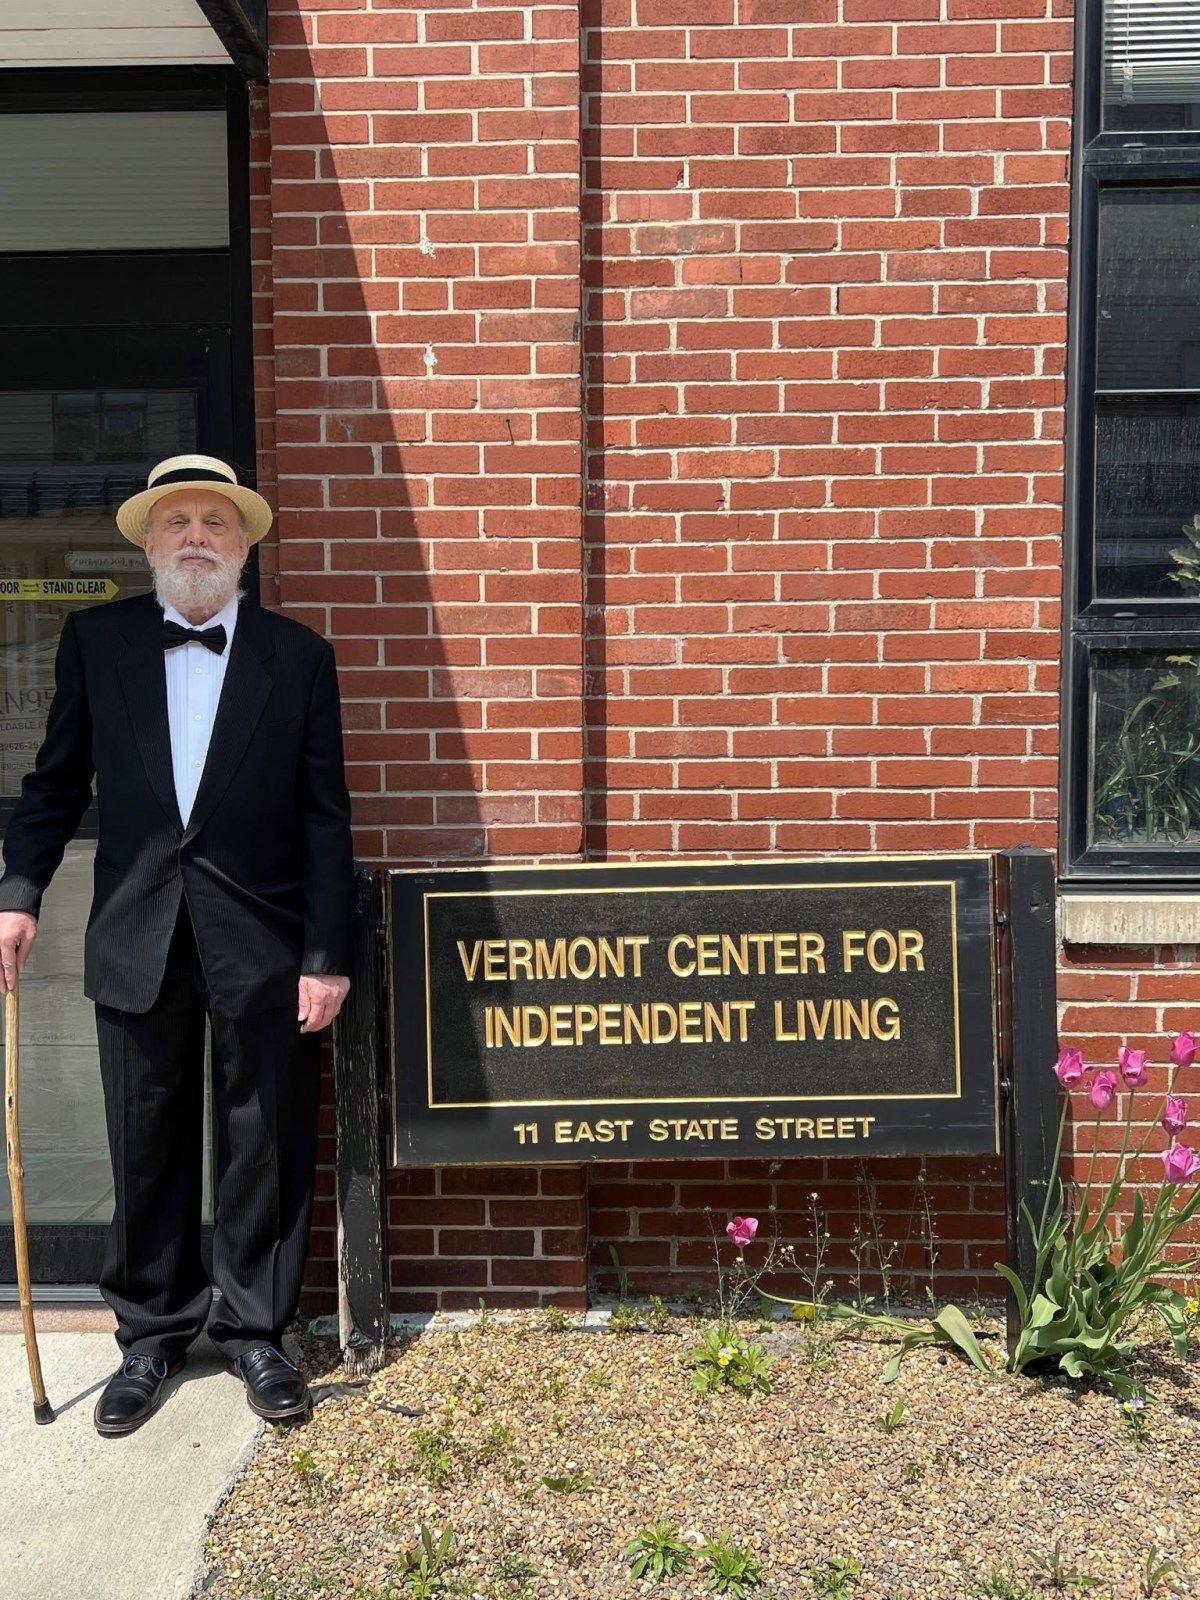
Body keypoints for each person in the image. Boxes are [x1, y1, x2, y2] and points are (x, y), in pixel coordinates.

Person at [0, 454, 355, 1436]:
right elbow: (54, 783)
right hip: (138, 930)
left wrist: (327, 954)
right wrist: (18, 894)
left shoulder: (299, 657)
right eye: (177, 521)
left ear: (243, 545)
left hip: (263, 937)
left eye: (216, 521)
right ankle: (152, 1334)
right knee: (144, 1136)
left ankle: (255, 1331)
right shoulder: (96, 641)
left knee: (262, 1140)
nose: (196, 535)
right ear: (149, 542)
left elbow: (326, 817)